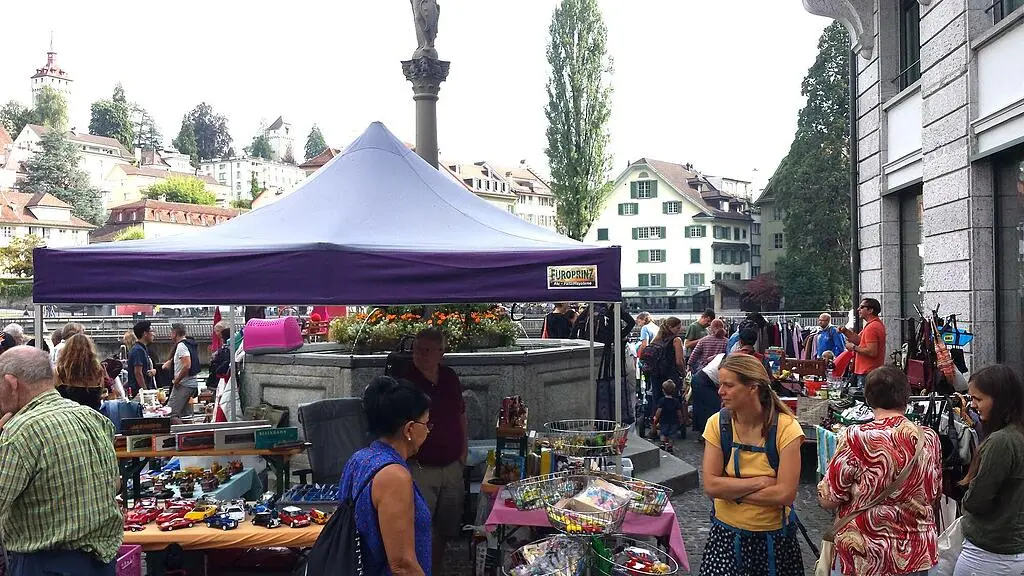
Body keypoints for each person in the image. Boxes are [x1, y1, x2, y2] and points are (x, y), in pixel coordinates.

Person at [0, 346, 123, 575]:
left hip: (46, 564)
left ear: (11, 383)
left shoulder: (20, 431)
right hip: (101, 561)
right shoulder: (93, 418)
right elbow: (115, 483)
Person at [817, 365, 942, 576]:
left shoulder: (855, 437)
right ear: (906, 396)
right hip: (916, 552)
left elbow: (830, 498)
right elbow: (933, 492)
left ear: (868, 398)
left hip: (865, 554)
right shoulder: (928, 438)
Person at [700, 353, 804, 576]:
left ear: (753, 388)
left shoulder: (787, 428)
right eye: (721, 384)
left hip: (773, 541)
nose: (720, 392)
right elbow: (710, 486)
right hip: (725, 537)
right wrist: (761, 482)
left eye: (729, 385)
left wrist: (729, 491)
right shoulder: (717, 424)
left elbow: (785, 495)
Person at [339, 377, 431, 576]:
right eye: (426, 424)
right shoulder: (394, 477)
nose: (428, 431)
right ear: (409, 429)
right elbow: (402, 565)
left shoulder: (359, 459)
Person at [397, 328, 466, 574]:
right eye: (417, 349)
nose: (421, 355)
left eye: (427, 350)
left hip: (451, 466)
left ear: (441, 353)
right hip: (421, 468)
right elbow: (398, 426)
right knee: (419, 529)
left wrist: (463, 455)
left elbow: (460, 414)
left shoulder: (449, 377)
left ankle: (435, 570)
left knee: (446, 529)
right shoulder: (406, 382)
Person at [954, 364, 1024, 576]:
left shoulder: (1001, 441)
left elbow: (978, 499)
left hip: (990, 552)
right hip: (1010, 548)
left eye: (978, 399)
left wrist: (966, 501)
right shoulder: (1015, 433)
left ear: (1000, 400)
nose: (973, 406)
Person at [689, 320, 729, 434]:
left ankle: (701, 431)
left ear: (711, 328)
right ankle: (711, 432)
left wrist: (689, 366)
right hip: (714, 374)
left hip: (703, 372)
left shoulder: (704, 340)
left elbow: (694, 355)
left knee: (699, 405)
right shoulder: (727, 342)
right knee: (713, 406)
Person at [839, 298, 886, 390]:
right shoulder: (872, 325)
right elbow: (859, 340)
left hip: (867, 371)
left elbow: (872, 352)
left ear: (870, 310)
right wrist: (845, 331)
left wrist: (853, 347)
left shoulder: (872, 327)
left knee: (864, 400)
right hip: (867, 371)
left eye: (862, 307)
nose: (858, 309)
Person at [55, 334, 107, 411]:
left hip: (67, 417)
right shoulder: (98, 372)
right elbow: (101, 394)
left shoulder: (59, 372)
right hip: (92, 417)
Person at [161, 323, 199, 419]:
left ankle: (177, 433)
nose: (170, 336)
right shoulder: (190, 344)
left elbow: (187, 365)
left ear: (175, 333)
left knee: (170, 413)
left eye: (171, 333)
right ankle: (188, 432)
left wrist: (177, 381)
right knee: (186, 415)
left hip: (183, 384)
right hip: (192, 384)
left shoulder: (181, 346)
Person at [653, 380, 684, 453]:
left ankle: (663, 443)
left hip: (664, 420)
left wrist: (656, 417)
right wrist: (681, 419)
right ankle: (670, 446)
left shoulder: (662, 400)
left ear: (663, 390)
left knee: (663, 432)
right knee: (672, 434)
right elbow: (678, 412)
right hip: (674, 421)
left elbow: (659, 410)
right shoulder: (676, 401)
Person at [127, 321, 156, 393]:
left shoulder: (142, 349)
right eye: (151, 331)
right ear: (145, 333)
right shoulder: (138, 350)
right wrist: (145, 391)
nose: (154, 334)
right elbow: (138, 373)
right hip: (138, 391)